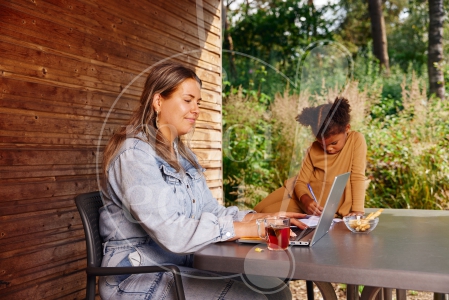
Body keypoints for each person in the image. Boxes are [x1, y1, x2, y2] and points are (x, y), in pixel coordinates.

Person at [98, 62, 307, 300]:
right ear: (158, 101)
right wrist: (250, 229)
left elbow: (209, 210)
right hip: (138, 275)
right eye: (187, 100)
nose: (195, 109)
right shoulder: (134, 154)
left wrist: (260, 218)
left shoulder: (183, 154)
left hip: (179, 266)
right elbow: (171, 232)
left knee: (276, 288)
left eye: (198, 102)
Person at [254, 97, 367, 217]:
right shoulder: (313, 148)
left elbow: (357, 177)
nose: (328, 148)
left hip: (315, 207)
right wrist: (305, 200)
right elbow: (300, 181)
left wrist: (358, 211)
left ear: (347, 128)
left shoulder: (356, 140)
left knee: (266, 214)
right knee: (256, 211)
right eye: (322, 144)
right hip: (300, 194)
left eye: (333, 143)